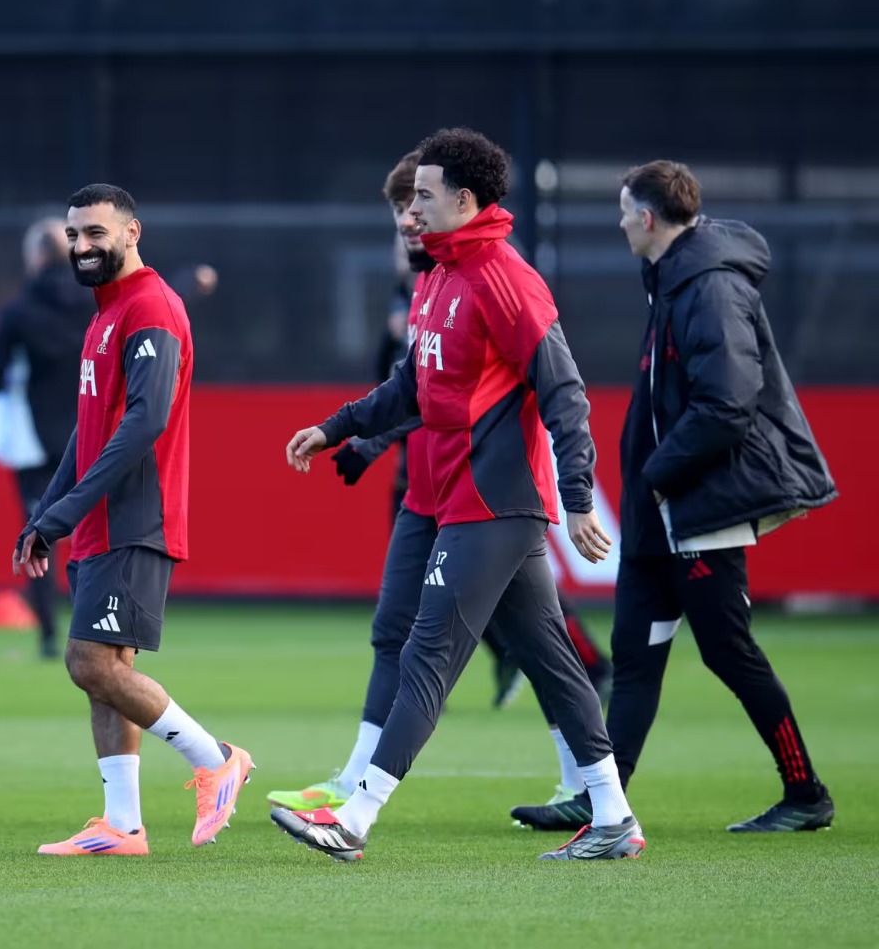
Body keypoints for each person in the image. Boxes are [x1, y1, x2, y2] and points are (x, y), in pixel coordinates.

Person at [271, 128, 643, 862]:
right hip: (462, 502)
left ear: (466, 201)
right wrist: (337, 428)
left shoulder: (505, 278)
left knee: (427, 653)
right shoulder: (441, 275)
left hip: (492, 503)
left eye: (423, 196)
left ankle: (354, 818)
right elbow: (411, 386)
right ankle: (614, 817)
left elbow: (564, 390)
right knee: (551, 660)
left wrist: (576, 494)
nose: (411, 210)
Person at [511, 161, 837, 833]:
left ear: (648, 217)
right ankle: (603, 798)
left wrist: (656, 474)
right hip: (660, 515)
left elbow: (728, 405)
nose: (620, 223)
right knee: (634, 659)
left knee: (729, 652)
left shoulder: (709, 286)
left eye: (623, 211)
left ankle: (806, 792)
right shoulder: (672, 279)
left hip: (698, 510)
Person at [16, 184, 253, 856]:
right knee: (105, 666)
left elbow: (146, 421)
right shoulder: (105, 313)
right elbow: (87, 432)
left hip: (135, 517)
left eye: (96, 233)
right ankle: (122, 824)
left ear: (131, 232)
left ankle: (216, 759)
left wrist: (66, 511)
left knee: (88, 661)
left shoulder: (150, 305)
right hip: (101, 521)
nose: (83, 246)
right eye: (74, 236)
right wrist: (47, 513)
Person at [0, 217, 95, 659]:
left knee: (39, 535)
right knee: (95, 533)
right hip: (92, 433)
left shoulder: (18, 312)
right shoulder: (96, 301)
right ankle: (102, 629)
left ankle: (48, 635)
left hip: (36, 441)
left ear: (35, 258)